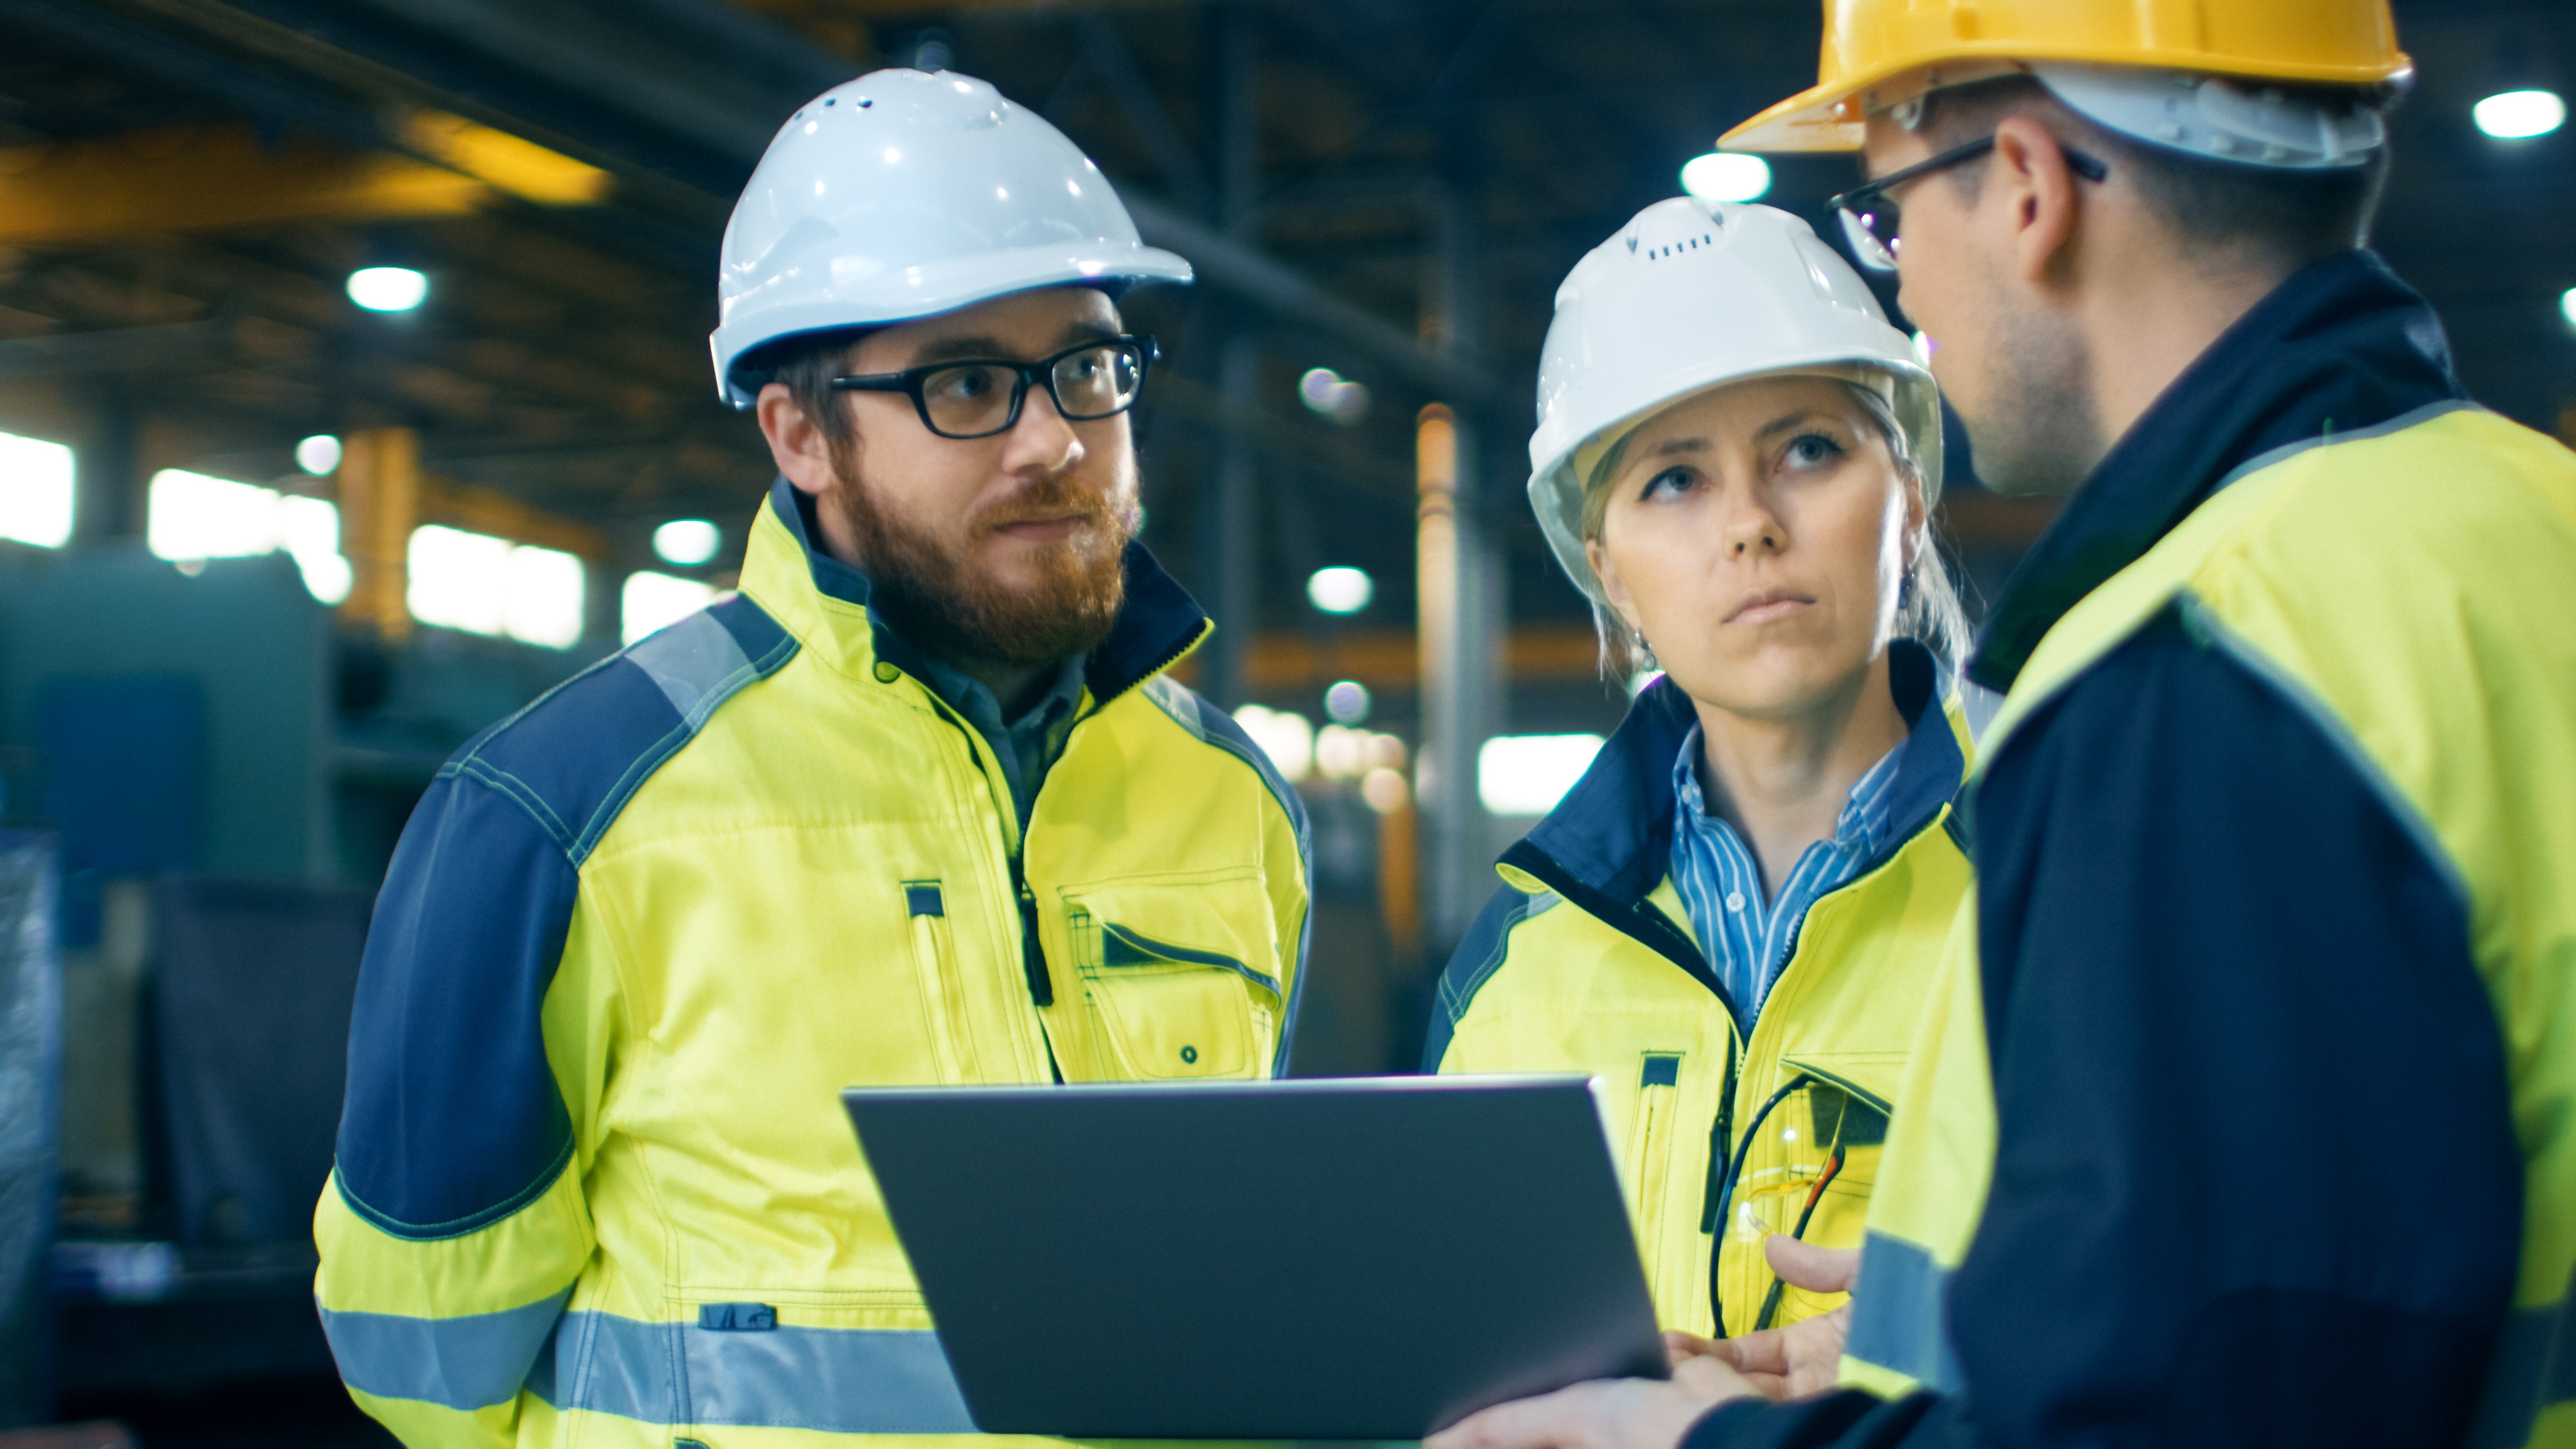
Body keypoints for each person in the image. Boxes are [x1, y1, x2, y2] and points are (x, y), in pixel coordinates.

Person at [1426, 2, 2576, 1447]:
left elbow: (2202, 1406)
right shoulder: (2527, 520)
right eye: (1674, 483)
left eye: (1889, 212)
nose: (1908, 280)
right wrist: (1971, 1325)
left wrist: (1703, 1442)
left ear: (2025, 188)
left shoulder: (2200, 673)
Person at [312, 68, 1311, 1447]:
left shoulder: (1231, 799)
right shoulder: (561, 811)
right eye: (970, 383)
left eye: (1087, 369)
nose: (1055, 440)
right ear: (799, 435)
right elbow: (425, 1357)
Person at [1423, 197, 1973, 1345]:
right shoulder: (1515, 964)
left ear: (1910, 504)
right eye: (1675, 481)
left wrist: (1962, 1347)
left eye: (1809, 450)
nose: (1751, 526)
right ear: (1610, 576)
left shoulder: (2062, 878)